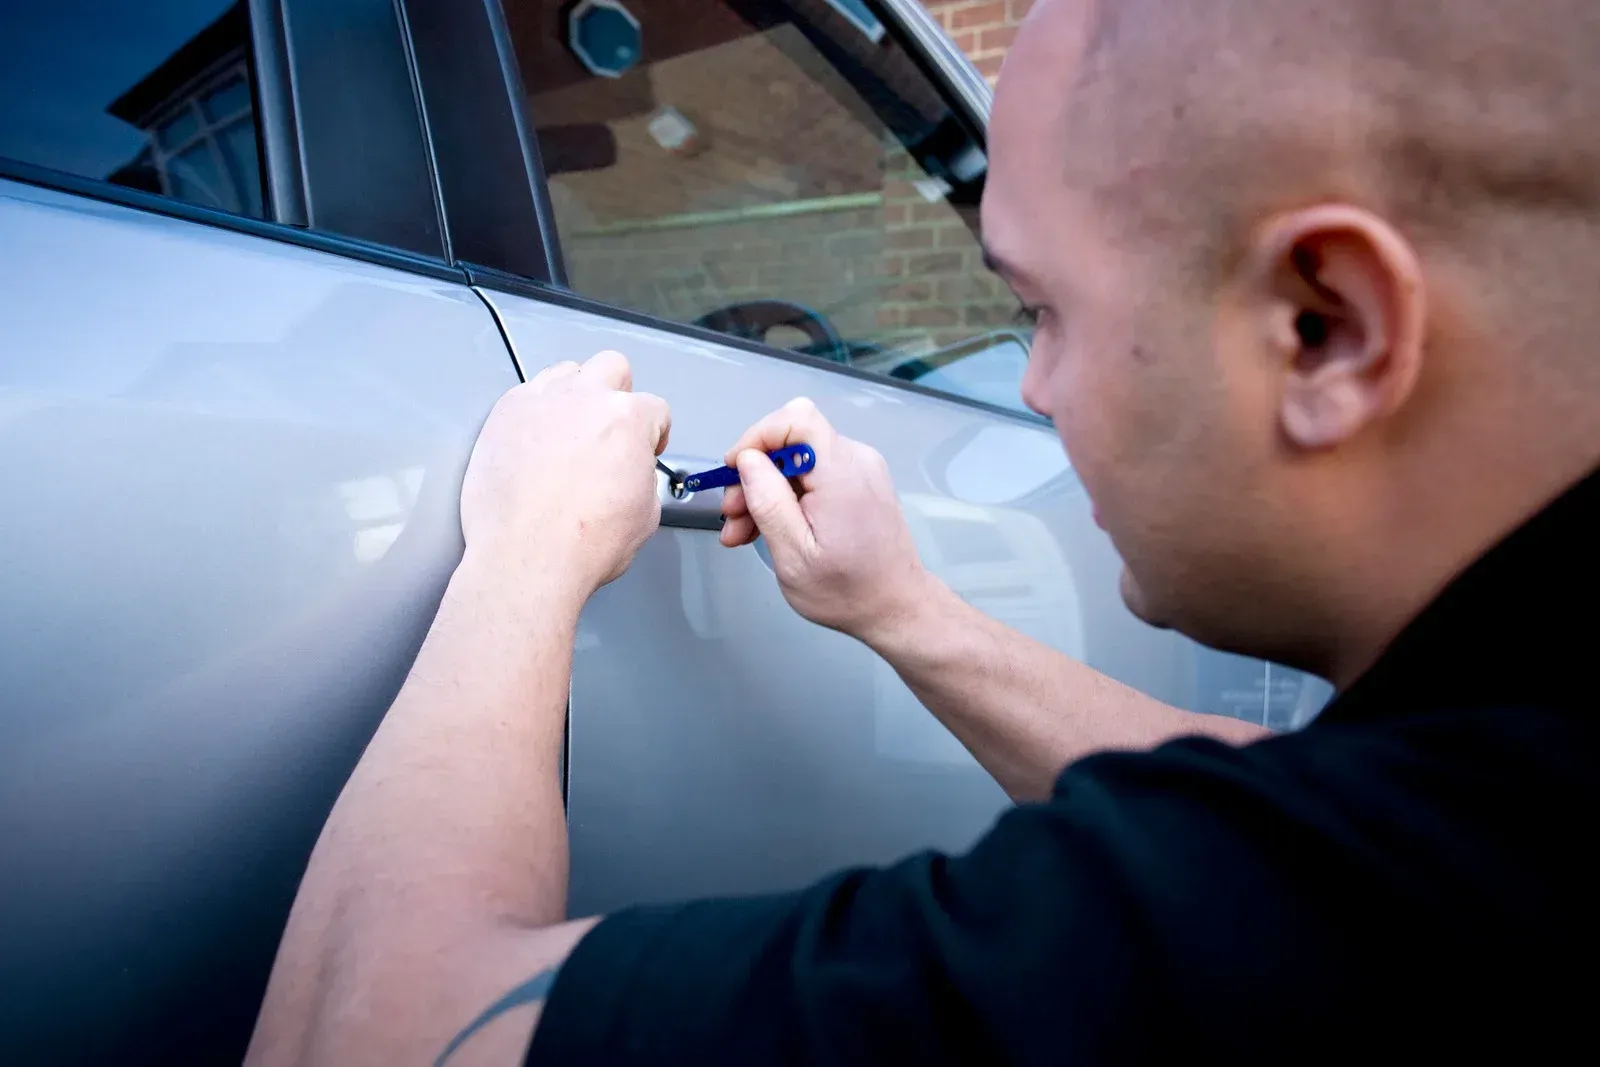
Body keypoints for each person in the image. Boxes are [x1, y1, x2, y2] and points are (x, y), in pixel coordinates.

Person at [246, 0, 1600, 1062]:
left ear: (1327, 332)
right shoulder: (1489, 812)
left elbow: (362, 1041)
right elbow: (1308, 821)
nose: (1032, 387)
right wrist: (901, 606)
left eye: (1043, 309)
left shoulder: (1352, 936)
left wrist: (528, 552)